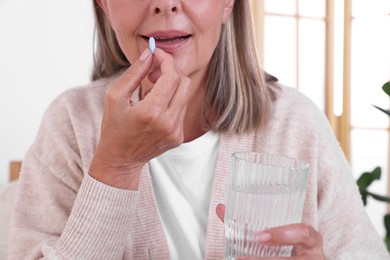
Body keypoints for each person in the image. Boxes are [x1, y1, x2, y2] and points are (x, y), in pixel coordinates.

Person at [8, 0, 389, 259]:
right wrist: (116, 166)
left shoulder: (295, 122)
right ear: (103, 4)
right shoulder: (70, 123)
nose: (166, 3)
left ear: (227, 3)